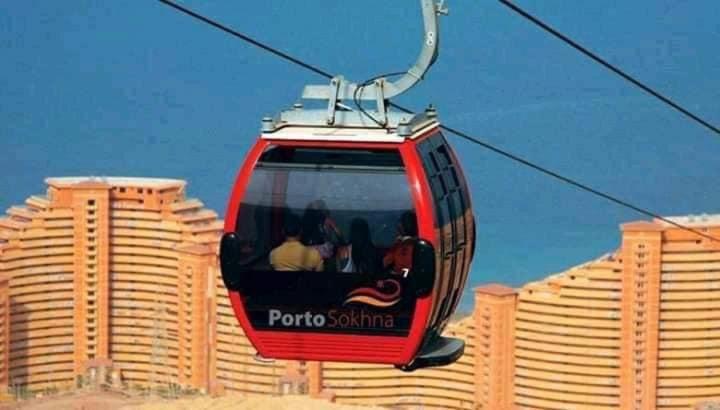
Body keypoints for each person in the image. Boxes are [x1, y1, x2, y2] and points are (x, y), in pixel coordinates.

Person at [383, 211, 418, 275]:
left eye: (400, 224)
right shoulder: (402, 244)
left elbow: (408, 269)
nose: (398, 226)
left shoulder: (406, 245)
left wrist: (400, 276)